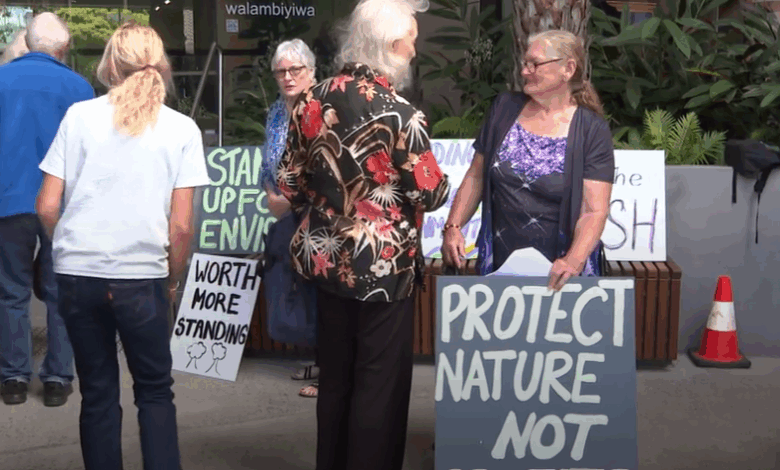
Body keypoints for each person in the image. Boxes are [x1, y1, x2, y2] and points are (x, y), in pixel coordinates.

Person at [276, 0, 449, 468]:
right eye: (411, 40)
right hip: (383, 268)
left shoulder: (310, 101)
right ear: (391, 45)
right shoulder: (400, 114)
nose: (414, 50)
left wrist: (328, 201)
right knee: (379, 385)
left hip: (328, 261)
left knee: (336, 379)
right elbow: (429, 192)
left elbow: (289, 182)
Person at [35, 22, 209, 470]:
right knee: (154, 391)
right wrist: (172, 277)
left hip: (79, 274)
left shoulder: (78, 117)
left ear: (111, 64)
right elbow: (181, 226)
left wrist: (68, 245)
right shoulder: (182, 129)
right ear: (161, 65)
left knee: (96, 392)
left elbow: (47, 206)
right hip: (142, 277)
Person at [441, 29, 614, 290]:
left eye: (535, 64)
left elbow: (594, 211)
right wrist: (453, 227)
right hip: (499, 265)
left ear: (568, 69)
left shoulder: (591, 130)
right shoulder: (504, 108)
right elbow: (476, 175)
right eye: (525, 63)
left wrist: (573, 261)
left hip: (563, 274)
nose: (524, 71)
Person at [0, 13, 94, 407]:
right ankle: (57, 379)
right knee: (62, 293)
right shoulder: (80, 87)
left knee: (11, 291)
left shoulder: (1, 80)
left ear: (27, 42)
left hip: (9, 201)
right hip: (64, 206)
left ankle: (13, 378)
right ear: (64, 47)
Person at [258, 38, 321, 398]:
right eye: (281, 71)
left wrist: (292, 199)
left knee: (318, 289)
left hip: (317, 214)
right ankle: (316, 355)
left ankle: (329, 368)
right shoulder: (276, 112)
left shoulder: (322, 108)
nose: (288, 77)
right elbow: (268, 160)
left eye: (295, 69)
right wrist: (271, 194)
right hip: (284, 211)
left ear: (311, 71)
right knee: (293, 285)